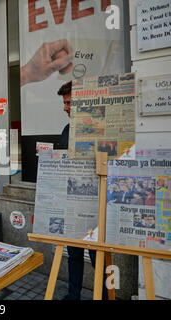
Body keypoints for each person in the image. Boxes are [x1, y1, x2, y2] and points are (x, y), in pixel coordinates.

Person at [56, 82, 107, 300]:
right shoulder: (67, 130)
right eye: (64, 103)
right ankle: (73, 294)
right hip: (72, 205)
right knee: (74, 253)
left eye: (69, 102)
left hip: (97, 207)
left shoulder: (101, 129)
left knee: (100, 257)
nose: (65, 107)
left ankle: (104, 295)